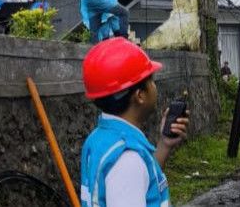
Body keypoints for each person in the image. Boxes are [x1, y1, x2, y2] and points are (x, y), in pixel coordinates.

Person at [80, 38, 190, 207]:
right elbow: (131, 172)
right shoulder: (127, 158)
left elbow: (143, 179)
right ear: (140, 95)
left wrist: (165, 145)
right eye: (151, 80)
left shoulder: (99, 138)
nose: (155, 86)